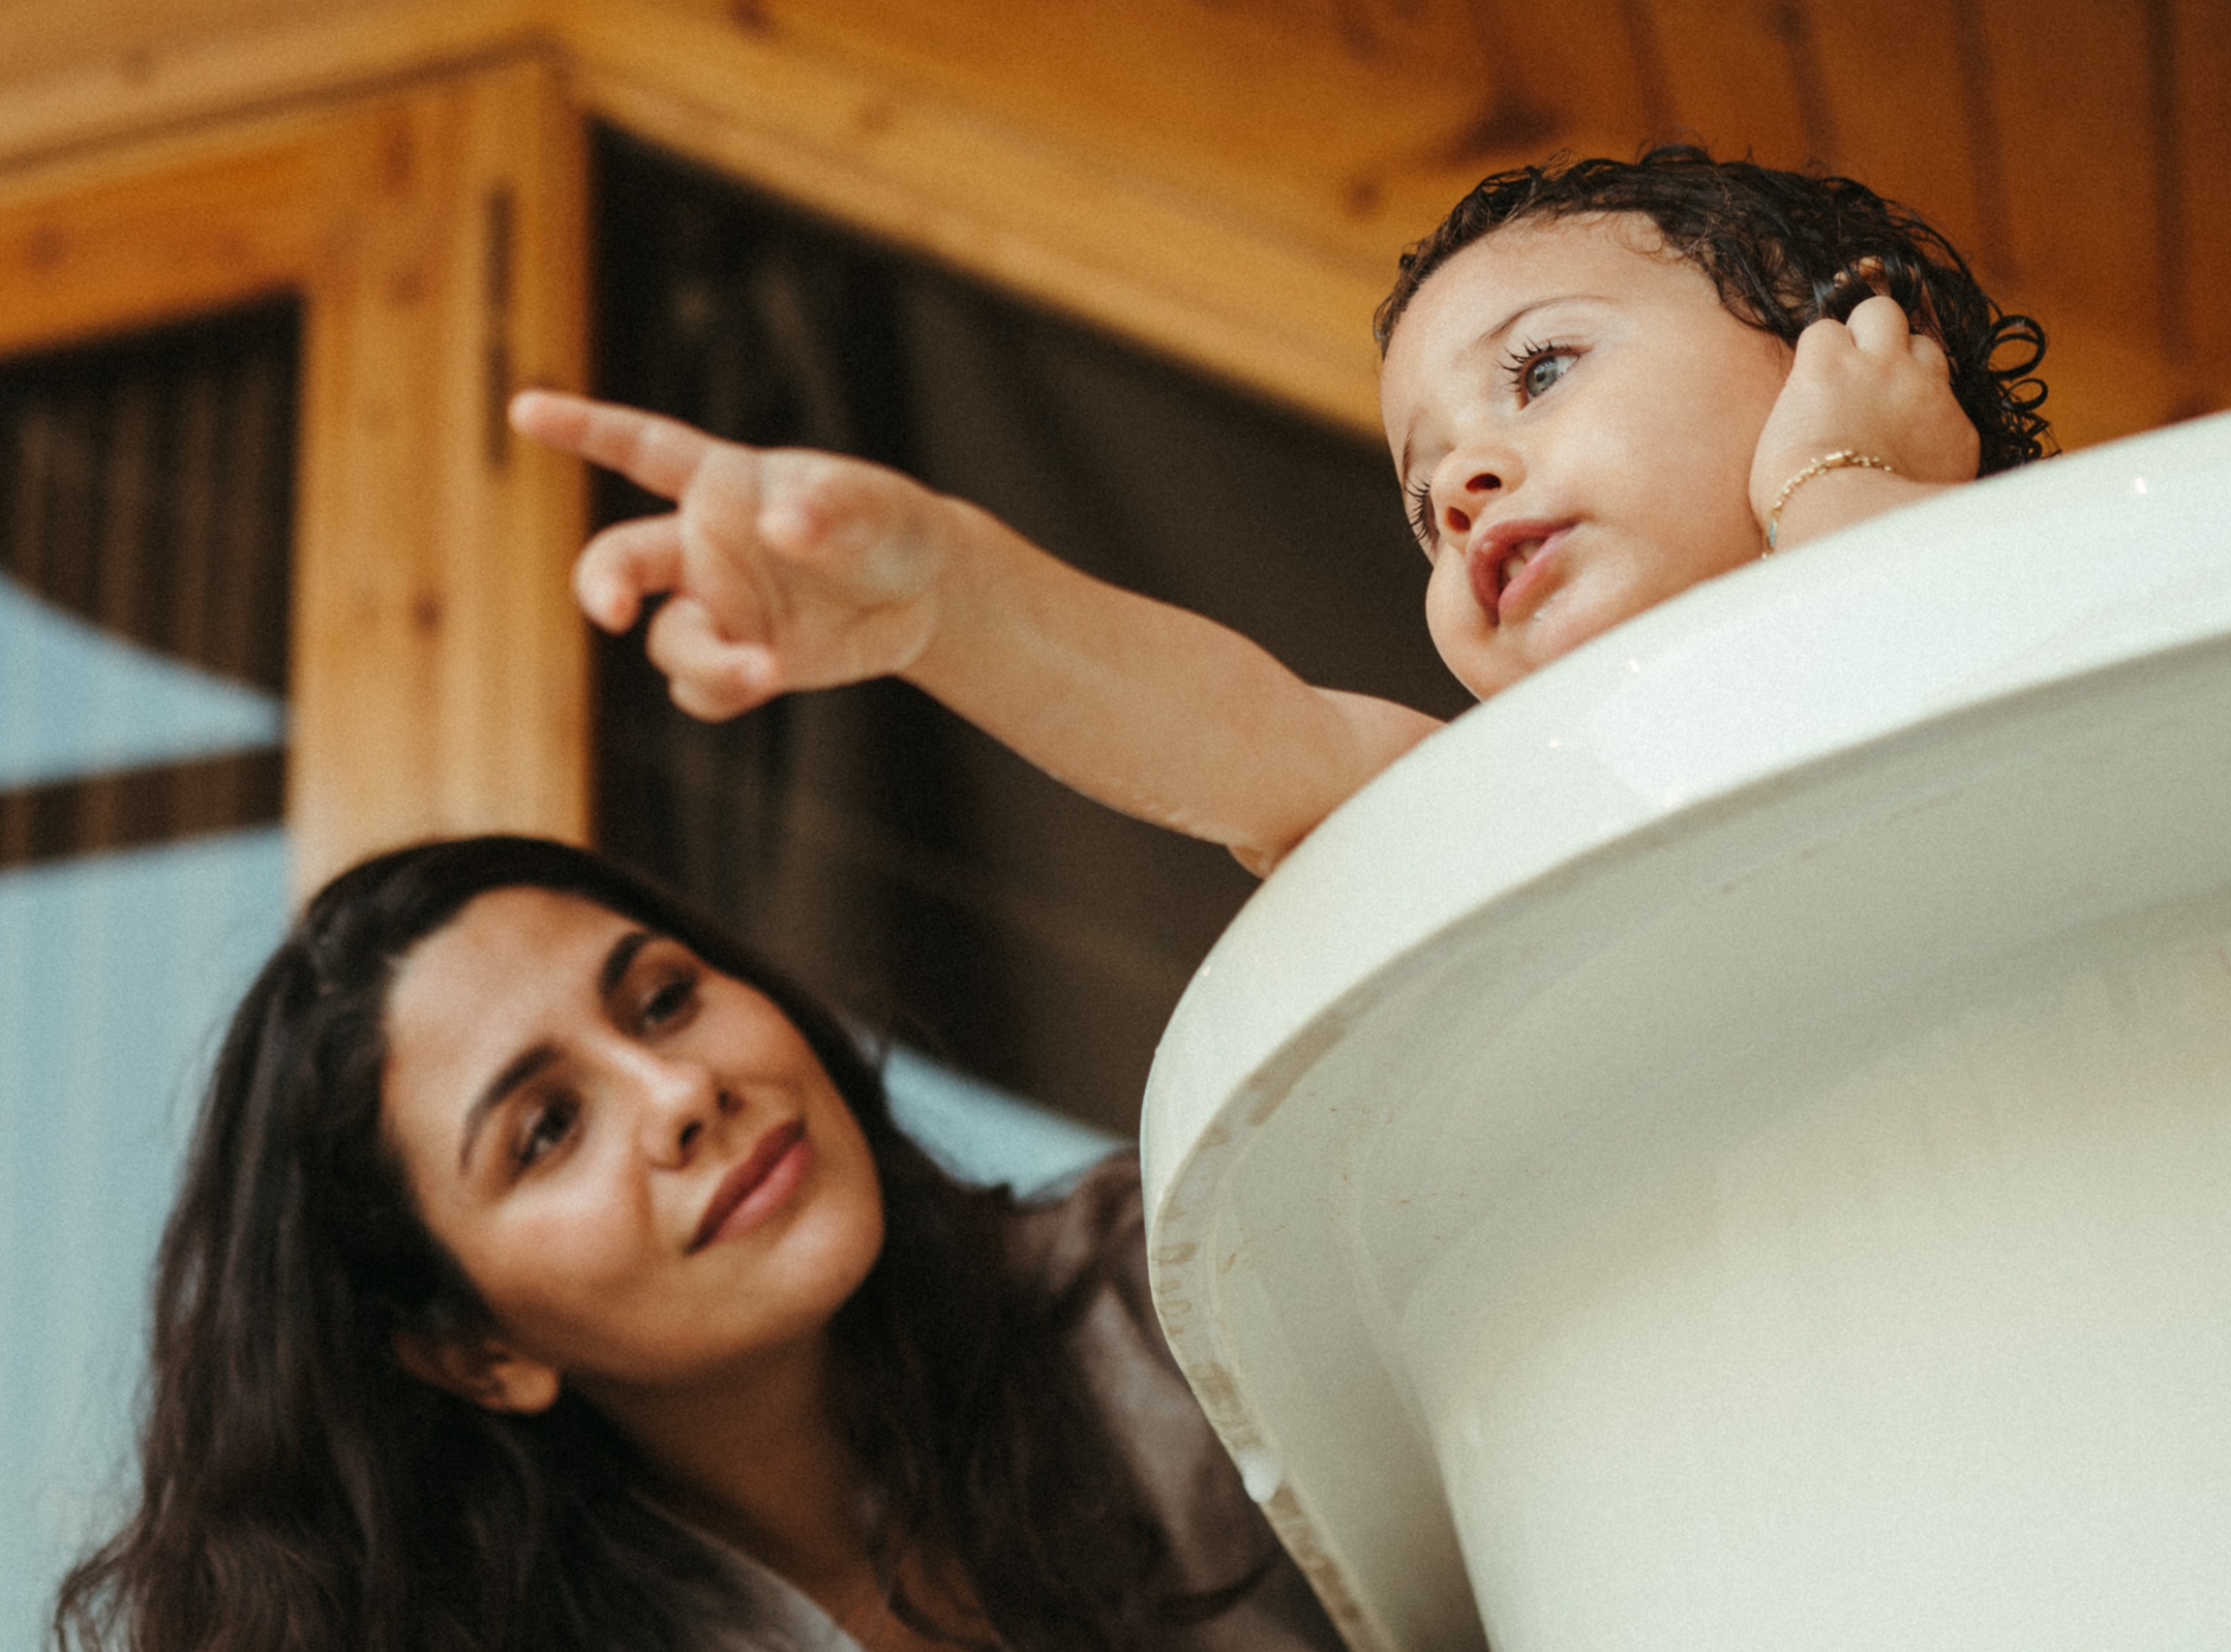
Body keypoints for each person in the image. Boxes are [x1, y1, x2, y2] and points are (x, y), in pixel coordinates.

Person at [512, 145, 2049, 876]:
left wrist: (1846, 482)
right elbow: (1246, 739)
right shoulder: (1510, 809)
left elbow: (1943, 740)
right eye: (1423, 507)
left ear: (1856, 346)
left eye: (1542, 370)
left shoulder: (2059, 586)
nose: (1463, 487)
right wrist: (944, 597)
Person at [52, 835, 1341, 1652]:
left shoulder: (1178, 1298)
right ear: (476, 1353)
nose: (681, 1092)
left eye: (664, 1000)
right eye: (548, 1129)